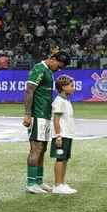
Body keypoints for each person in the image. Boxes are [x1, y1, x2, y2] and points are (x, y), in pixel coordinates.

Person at [23, 52, 68, 194]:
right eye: (58, 66)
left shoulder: (48, 72)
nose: (58, 69)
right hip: (37, 115)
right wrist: (28, 114)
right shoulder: (39, 69)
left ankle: (38, 181)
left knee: (42, 149)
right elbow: (29, 91)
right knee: (36, 149)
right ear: (53, 59)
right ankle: (31, 183)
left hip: (45, 115)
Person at [50, 75, 77, 195]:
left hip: (67, 135)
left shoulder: (66, 100)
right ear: (63, 87)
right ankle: (57, 185)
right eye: (71, 86)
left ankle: (62, 183)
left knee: (64, 159)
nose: (73, 88)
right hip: (62, 136)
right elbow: (56, 120)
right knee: (60, 159)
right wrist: (58, 136)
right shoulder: (59, 101)